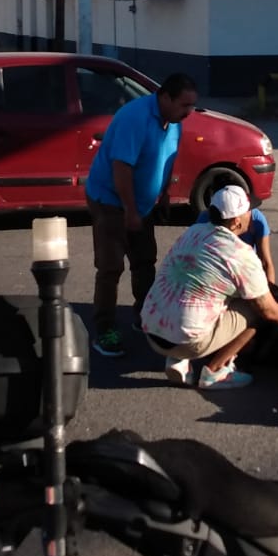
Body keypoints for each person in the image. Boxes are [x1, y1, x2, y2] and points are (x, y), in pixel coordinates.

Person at [140, 185, 278, 428]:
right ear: (236, 221)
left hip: (152, 330)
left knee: (201, 294)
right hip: (187, 340)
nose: (251, 215)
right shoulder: (240, 254)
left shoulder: (193, 232)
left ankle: (177, 360)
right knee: (258, 309)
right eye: (248, 212)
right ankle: (215, 371)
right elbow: (269, 310)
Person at [84, 72, 200, 358]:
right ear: (166, 97)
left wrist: (164, 195)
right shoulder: (134, 118)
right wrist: (131, 211)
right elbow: (121, 169)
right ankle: (104, 329)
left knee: (144, 260)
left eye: (192, 105)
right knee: (111, 267)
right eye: (185, 105)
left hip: (143, 204)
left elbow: (168, 158)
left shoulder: (173, 122)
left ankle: (145, 316)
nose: (190, 112)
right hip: (111, 201)